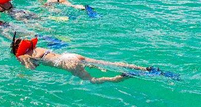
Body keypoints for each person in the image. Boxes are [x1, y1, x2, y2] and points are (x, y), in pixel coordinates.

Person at [11, 35, 153, 83]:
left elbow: (32, 69)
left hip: (67, 63)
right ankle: (143, 68)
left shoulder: (25, 56)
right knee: (107, 63)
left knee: (93, 81)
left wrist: (21, 66)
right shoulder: (38, 48)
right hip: (71, 55)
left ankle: (121, 77)